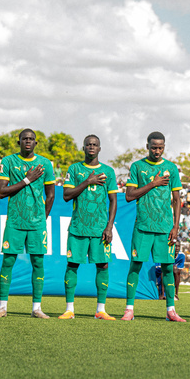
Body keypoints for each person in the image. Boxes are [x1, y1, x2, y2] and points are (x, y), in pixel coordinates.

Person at [0, 129, 55, 319]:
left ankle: (37, 308)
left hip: (37, 223)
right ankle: (2, 307)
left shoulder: (45, 164)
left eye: (31, 139)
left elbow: (51, 194)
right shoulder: (8, 161)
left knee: (38, 262)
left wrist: (43, 217)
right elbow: (1, 192)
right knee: (8, 261)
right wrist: (27, 179)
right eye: (24, 139)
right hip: (15, 221)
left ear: (36, 143)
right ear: (19, 142)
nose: (28, 141)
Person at [122, 131, 184, 322]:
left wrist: (176, 226)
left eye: (160, 148)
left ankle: (171, 310)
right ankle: (129, 309)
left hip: (165, 228)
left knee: (168, 268)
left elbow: (177, 199)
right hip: (143, 226)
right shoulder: (138, 167)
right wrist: (153, 183)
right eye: (154, 147)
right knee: (135, 265)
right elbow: (129, 196)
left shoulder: (171, 168)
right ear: (147, 146)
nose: (157, 151)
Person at [59, 135, 117, 320]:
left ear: (99, 148)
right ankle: (69, 309)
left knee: (103, 265)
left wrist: (109, 227)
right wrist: (87, 182)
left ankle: (101, 310)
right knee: (72, 264)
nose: (91, 147)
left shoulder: (108, 171)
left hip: (100, 229)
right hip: (78, 227)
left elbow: (113, 200)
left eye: (95, 145)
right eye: (88, 144)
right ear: (83, 148)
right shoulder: (74, 169)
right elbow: (66, 195)